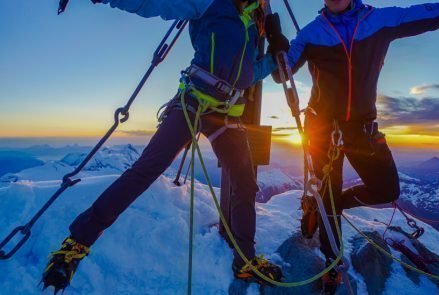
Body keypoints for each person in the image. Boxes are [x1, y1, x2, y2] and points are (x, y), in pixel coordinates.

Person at [42, 0, 290, 292]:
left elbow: (247, 72)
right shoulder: (211, 3)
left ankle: (245, 261)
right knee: (146, 169)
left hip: (228, 114)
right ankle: (76, 243)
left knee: (245, 185)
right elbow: (152, 3)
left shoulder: (255, 19)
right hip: (194, 103)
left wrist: (276, 57)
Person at [275, 0, 439, 293]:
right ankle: (332, 264)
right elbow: (282, 73)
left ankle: (328, 204)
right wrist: (274, 44)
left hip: (361, 130)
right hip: (322, 130)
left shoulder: (378, 21)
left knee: (387, 189)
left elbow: (431, 15)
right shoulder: (311, 33)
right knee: (328, 194)